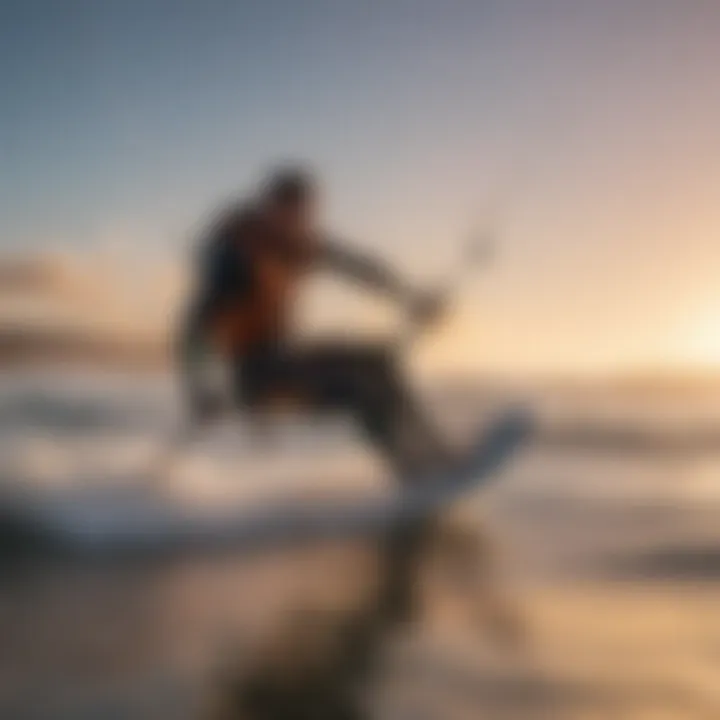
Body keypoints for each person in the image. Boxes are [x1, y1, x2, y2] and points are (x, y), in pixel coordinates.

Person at [178, 166, 453, 482]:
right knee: (359, 389)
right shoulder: (237, 258)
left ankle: (436, 456)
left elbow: (359, 267)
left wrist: (413, 298)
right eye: (290, 213)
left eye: (305, 215)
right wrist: (200, 390)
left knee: (378, 361)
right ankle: (415, 473)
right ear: (270, 209)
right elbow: (195, 327)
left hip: (284, 358)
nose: (299, 223)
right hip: (255, 378)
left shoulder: (298, 246)